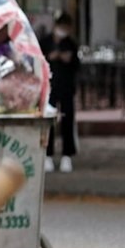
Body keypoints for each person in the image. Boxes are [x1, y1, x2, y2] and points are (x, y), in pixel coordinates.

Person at [40, 12, 80, 172]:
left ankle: (67, 155)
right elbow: (39, 60)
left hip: (67, 87)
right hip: (50, 87)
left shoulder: (71, 43)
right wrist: (51, 56)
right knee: (48, 120)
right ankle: (47, 154)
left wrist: (67, 59)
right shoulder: (45, 42)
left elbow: (77, 65)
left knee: (67, 120)